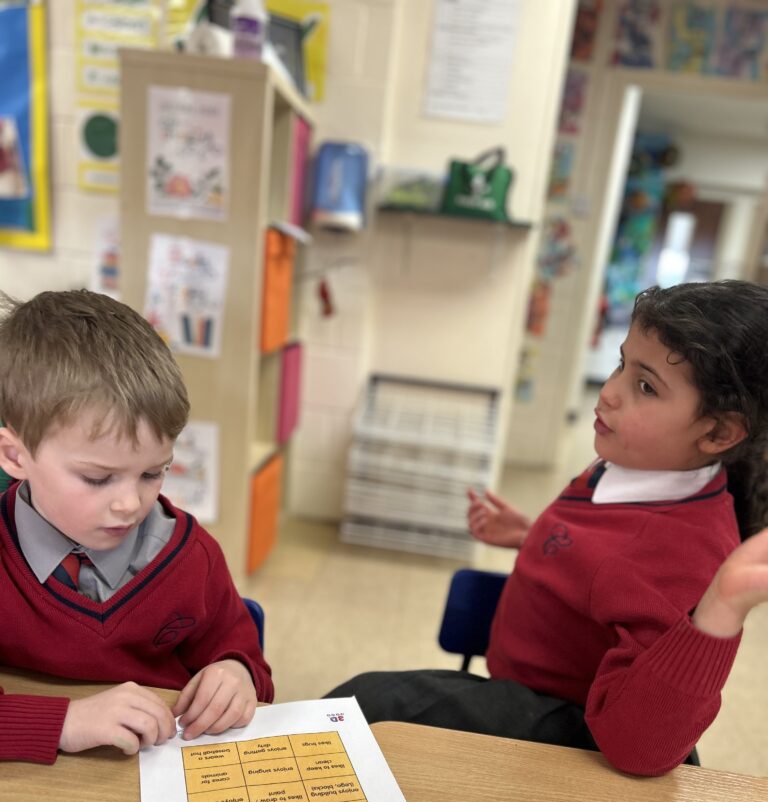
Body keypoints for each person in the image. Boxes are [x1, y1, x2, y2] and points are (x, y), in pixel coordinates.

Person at [328, 280, 768, 776]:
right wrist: (533, 534)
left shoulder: (685, 554)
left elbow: (637, 749)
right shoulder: (639, 463)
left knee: (362, 704)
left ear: (718, 432)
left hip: (571, 730)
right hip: (522, 684)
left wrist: (723, 604)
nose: (608, 392)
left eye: (645, 386)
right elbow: (609, 568)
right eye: (622, 364)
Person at [0, 289, 273, 765]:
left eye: (153, 472)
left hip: (156, 784)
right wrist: (63, 722)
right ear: (15, 456)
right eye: (97, 477)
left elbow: (242, 653)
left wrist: (237, 671)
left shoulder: (192, 557)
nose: (131, 503)